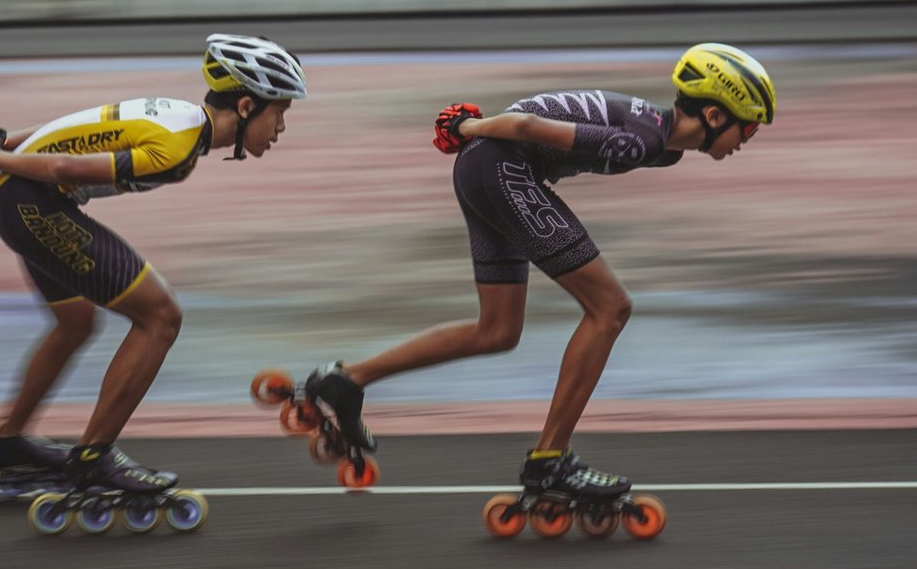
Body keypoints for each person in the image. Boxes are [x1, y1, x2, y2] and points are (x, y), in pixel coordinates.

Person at [295, 42, 776, 501]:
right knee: (610, 308)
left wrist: (473, 136)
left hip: (487, 168)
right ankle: (550, 459)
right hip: (501, 164)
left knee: (497, 331)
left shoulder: (661, 140)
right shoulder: (642, 139)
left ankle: (347, 380)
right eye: (749, 129)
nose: (747, 141)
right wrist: (468, 128)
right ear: (714, 115)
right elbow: (526, 126)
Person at [0, 33, 306, 499]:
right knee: (160, 316)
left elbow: (76, 127)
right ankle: (93, 458)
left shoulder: (176, 115)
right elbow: (65, 171)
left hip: (19, 197)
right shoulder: (177, 150)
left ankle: (9, 444)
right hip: (32, 201)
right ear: (244, 107)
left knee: (75, 323)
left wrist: (2, 143)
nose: (279, 128)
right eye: (278, 114)